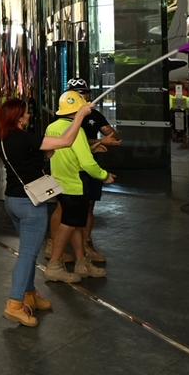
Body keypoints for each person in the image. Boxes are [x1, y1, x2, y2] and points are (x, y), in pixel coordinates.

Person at [0, 97, 91, 327]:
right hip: (31, 205)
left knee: (28, 251)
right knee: (28, 255)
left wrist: (44, 156)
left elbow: (30, 159)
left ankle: (29, 294)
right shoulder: (25, 137)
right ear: (19, 117)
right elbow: (67, 140)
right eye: (26, 113)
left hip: (12, 201)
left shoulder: (5, 139)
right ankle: (15, 304)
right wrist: (81, 114)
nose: (29, 116)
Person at [46, 91, 115, 282]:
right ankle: (54, 265)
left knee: (75, 224)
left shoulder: (52, 127)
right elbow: (86, 163)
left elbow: (58, 152)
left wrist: (91, 146)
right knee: (68, 225)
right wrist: (104, 175)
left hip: (60, 183)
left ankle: (81, 263)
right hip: (76, 185)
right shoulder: (78, 131)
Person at [63, 78, 122, 265]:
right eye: (77, 93)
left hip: (91, 166)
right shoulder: (63, 119)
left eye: (85, 93)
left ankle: (86, 245)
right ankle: (60, 246)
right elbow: (67, 142)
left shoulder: (94, 116)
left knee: (88, 207)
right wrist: (98, 143)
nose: (82, 96)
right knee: (66, 209)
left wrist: (105, 139)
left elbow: (112, 135)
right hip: (71, 168)